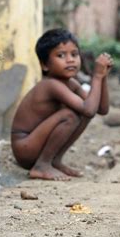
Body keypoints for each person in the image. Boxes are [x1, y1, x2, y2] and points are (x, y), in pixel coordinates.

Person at [11, 28, 112, 181]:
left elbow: (100, 109)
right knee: (70, 115)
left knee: (81, 114)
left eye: (74, 54)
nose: (70, 60)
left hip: (35, 145)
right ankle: (42, 166)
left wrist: (103, 77)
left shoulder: (71, 83)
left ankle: (54, 161)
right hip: (25, 147)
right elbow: (90, 109)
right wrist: (96, 76)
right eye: (61, 55)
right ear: (45, 65)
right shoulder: (51, 85)